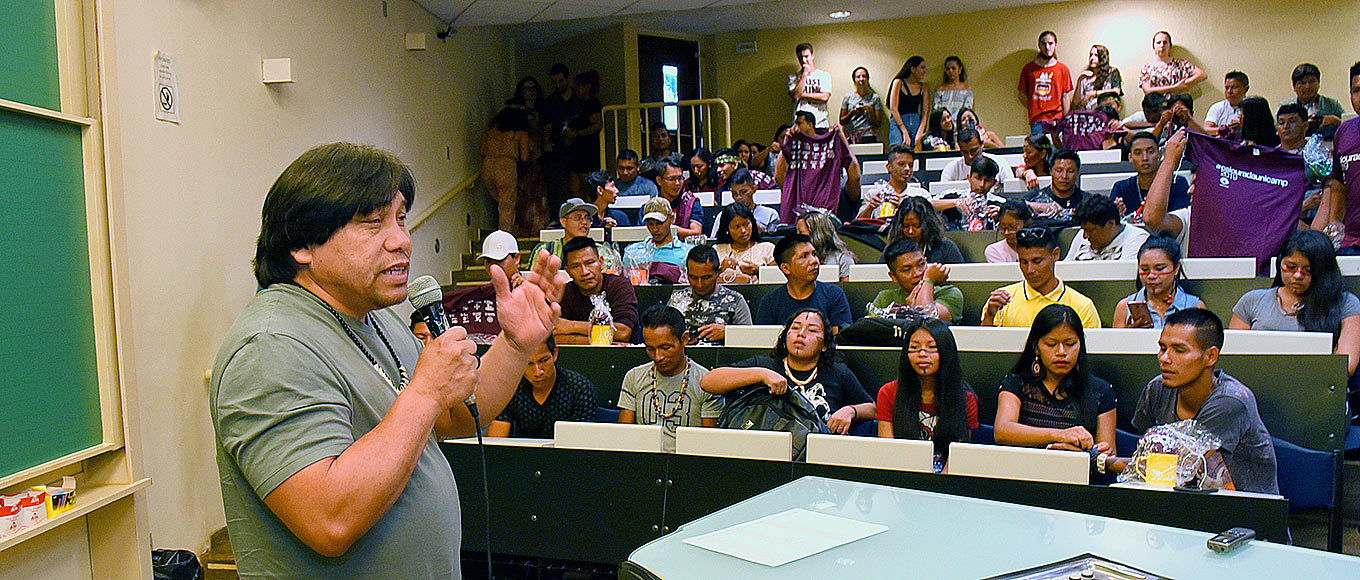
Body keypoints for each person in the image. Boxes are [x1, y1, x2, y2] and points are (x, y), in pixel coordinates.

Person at [211, 142, 563, 576]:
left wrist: (515, 345)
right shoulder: (270, 347)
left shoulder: (374, 318)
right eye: (371, 222)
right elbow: (329, 518)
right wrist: (425, 391)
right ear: (303, 243)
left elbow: (453, 416)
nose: (400, 240)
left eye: (399, 219)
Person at [1132, 309, 1279, 493]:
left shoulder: (1230, 402)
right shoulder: (1157, 389)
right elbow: (1144, 455)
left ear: (1211, 356)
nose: (1165, 358)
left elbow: (1176, 468)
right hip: (1182, 501)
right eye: (1162, 348)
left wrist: (1101, 461)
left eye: (1179, 350)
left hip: (1246, 511)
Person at [702, 309, 874, 433]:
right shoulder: (763, 365)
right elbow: (708, 382)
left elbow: (873, 409)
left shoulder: (838, 373)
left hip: (817, 455)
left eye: (812, 330)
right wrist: (762, 374)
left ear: (825, 345)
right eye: (795, 328)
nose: (801, 334)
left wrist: (851, 410)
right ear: (785, 336)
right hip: (762, 450)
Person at [1230, 230, 1360, 377]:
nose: (1298, 275)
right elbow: (1235, 359)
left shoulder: (1346, 304)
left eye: (1308, 270)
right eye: (1291, 267)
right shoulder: (1251, 301)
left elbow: (1345, 366)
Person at [994, 305, 1117, 457]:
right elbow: (1002, 430)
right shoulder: (1017, 383)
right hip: (1023, 471)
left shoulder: (1100, 391)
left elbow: (1109, 455)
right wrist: (1060, 435)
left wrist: (1098, 453)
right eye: (1051, 344)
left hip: (1077, 474)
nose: (1061, 352)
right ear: (1036, 347)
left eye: (1070, 344)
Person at [618, 305, 722, 451]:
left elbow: (710, 444)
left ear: (684, 339)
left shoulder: (707, 382)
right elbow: (624, 437)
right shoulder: (634, 377)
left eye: (666, 348)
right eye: (650, 349)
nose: (658, 356)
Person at [876, 318, 978, 459]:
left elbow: (959, 455)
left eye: (931, 347)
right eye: (914, 348)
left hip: (946, 475)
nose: (922, 354)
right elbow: (888, 450)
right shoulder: (888, 393)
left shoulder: (965, 398)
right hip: (902, 470)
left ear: (945, 352)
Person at [983, 227, 1101, 328]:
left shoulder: (1083, 306)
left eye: (1037, 261)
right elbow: (984, 351)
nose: (1030, 270)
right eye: (1023, 262)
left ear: (1055, 255)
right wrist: (989, 316)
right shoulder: (1001, 301)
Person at [487, 336, 598, 438]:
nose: (538, 372)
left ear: (555, 353)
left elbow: (581, 445)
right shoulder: (512, 388)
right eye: (529, 363)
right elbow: (495, 441)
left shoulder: (580, 389)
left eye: (543, 360)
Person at [441, 230, 526, 343]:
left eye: (500, 260)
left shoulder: (531, 291)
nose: (493, 267)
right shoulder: (480, 296)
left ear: (517, 258)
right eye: (489, 261)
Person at [754, 234, 853, 332]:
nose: (814, 261)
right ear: (786, 268)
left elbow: (841, 337)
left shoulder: (833, 295)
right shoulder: (769, 302)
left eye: (814, 254)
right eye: (804, 256)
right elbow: (765, 341)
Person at [775, 111, 861, 223]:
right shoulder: (794, 144)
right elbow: (778, 177)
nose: (795, 127)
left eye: (799, 123)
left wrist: (842, 138)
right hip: (797, 221)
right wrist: (787, 144)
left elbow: (855, 175)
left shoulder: (832, 142)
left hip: (823, 222)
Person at [557, 237, 639, 344]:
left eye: (589, 263)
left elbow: (623, 332)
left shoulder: (620, 286)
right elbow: (555, 337)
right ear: (568, 272)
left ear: (601, 263)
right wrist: (608, 343)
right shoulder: (564, 292)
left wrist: (571, 326)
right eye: (576, 266)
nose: (584, 272)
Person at [1314, 61, 1360, 252]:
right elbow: (1338, 183)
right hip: (1352, 241)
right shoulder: (1344, 131)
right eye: (1357, 90)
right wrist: (1334, 222)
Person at [1113, 233, 1205, 328]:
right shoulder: (1124, 307)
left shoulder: (1195, 307)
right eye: (1145, 269)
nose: (1151, 275)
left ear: (1176, 268)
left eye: (1160, 268)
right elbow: (1116, 342)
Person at [668, 245, 753, 345]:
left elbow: (749, 339)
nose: (699, 284)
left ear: (718, 273)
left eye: (706, 278)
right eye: (693, 277)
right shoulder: (676, 299)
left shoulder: (735, 300)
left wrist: (728, 332)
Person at [869, 239, 964, 322]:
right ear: (893, 276)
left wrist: (928, 280)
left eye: (921, 265)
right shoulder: (885, 298)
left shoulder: (949, 293)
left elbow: (928, 317)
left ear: (926, 262)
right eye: (907, 269)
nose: (917, 273)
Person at [1110, 131, 1191, 219]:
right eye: (1138, 153)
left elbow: (1183, 220)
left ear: (1160, 154)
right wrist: (1115, 216)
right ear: (1130, 157)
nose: (1145, 158)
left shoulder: (1177, 183)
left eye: (1150, 151)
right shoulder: (1121, 188)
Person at [530, 198, 621, 271]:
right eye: (578, 218)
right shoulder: (546, 251)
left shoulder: (601, 252)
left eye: (587, 218)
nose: (584, 222)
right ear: (563, 222)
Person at [481, 107, 533, 234]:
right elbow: (525, 157)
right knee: (507, 206)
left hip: (487, 165)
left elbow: (482, 151)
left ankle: (506, 231)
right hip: (506, 166)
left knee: (500, 201)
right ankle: (505, 237)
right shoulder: (519, 133)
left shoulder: (490, 130)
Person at [1141, 130, 1194, 252]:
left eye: (1196, 184)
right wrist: (1169, 160)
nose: (1190, 190)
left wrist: (1169, 160)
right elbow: (1151, 219)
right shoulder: (1189, 216)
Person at [1017, 31, 1074, 134]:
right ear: (1039, 45)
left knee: (1057, 149)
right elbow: (1021, 94)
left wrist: (1064, 120)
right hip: (1037, 120)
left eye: (1050, 43)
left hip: (1057, 119)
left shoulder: (1062, 69)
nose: (1047, 47)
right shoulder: (1028, 69)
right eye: (1044, 44)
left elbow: (1066, 96)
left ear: (1056, 45)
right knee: (1039, 149)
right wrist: (1034, 106)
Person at [1067, 194, 1150, 261]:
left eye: (1090, 230)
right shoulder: (1082, 233)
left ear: (1111, 223)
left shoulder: (1137, 239)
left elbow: (1123, 276)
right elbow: (1065, 268)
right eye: (1084, 230)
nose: (1085, 236)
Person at [931, 155, 1002, 231]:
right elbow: (926, 205)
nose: (982, 184)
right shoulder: (953, 195)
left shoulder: (1000, 204)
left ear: (994, 183)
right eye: (978, 178)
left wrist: (1002, 215)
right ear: (969, 178)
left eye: (987, 180)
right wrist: (956, 202)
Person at [541, 63, 576, 211]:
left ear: (567, 79)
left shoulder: (578, 98)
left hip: (579, 148)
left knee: (578, 185)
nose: (558, 85)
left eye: (560, 81)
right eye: (554, 82)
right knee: (559, 185)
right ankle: (561, 216)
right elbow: (547, 124)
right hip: (558, 150)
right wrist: (547, 141)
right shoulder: (550, 102)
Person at [887, 197, 965, 264]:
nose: (910, 231)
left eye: (916, 226)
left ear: (928, 225)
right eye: (906, 226)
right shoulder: (893, 249)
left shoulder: (946, 248)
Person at [712, 203, 776, 284]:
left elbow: (778, 278)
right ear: (727, 229)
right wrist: (721, 270)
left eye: (746, 224)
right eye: (737, 227)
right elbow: (705, 280)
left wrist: (758, 270)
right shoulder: (717, 249)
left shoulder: (767, 248)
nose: (743, 231)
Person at [625, 197, 695, 270]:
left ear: (671, 219)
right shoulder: (632, 253)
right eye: (650, 224)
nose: (655, 229)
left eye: (659, 223)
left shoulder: (687, 253)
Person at [1025, 149, 1090, 226]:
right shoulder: (1035, 196)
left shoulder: (1087, 201)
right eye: (1059, 171)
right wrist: (1042, 206)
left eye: (1070, 171)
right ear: (1050, 171)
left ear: (1077, 172)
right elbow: (1014, 206)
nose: (1064, 176)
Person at [564, 70, 604, 197]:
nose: (575, 89)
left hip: (587, 152)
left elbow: (598, 125)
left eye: (578, 86)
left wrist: (578, 133)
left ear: (587, 86)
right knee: (574, 187)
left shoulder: (593, 104)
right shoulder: (578, 104)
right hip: (576, 151)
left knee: (587, 187)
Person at [857, 144, 922, 221]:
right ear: (889, 167)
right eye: (901, 164)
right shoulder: (873, 194)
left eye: (910, 165)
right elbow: (858, 224)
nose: (907, 169)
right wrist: (870, 207)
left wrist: (904, 208)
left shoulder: (920, 195)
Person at [711, 168, 780, 237]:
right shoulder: (722, 216)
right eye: (734, 193)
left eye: (743, 192)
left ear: (754, 189)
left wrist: (762, 232)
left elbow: (774, 242)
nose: (738, 197)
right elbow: (714, 242)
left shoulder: (770, 215)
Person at [940, 128, 1012, 192]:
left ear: (981, 144)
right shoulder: (951, 168)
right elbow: (942, 195)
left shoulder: (1000, 163)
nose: (970, 156)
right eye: (965, 152)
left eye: (974, 150)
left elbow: (1011, 190)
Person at [650, 156, 705, 238]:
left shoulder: (691, 203)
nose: (677, 183)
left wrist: (670, 229)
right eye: (671, 179)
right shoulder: (651, 206)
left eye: (680, 178)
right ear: (659, 180)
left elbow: (696, 232)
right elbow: (645, 232)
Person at [1138, 31, 1206, 96]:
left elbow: (1202, 75)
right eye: (1158, 42)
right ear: (1153, 46)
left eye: (1165, 42)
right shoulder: (1147, 68)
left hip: (1177, 103)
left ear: (1169, 45)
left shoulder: (1180, 64)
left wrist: (1184, 83)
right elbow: (1147, 90)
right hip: (1156, 104)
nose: (1162, 45)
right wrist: (1174, 88)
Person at [1282, 63, 1345, 131]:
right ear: (1294, 87)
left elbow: (1348, 126)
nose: (1307, 86)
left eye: (1312, 81)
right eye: (1302, 83)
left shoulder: (1332, 104)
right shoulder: (1286, 106)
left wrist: (1337, 121)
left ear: (1319, 84)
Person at [797, 210, 855, 281]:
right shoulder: (795, 260)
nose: (797, 237)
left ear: (817, 235)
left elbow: (848, 289)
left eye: (801, 232)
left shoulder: (842, 259)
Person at [788, 43, 832, 128]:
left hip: (820, 124)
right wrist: (804, 75)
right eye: (801, 58)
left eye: (806, 56)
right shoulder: (793, 77)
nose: (804, 60)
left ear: (812, 56)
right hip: (800, 125)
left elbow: (824, 97)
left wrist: (802, 95)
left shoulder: (824, 76)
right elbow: (795, 95)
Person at [889, 56, 929, 146]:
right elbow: (893, 108)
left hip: (916, 121)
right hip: (899, 120)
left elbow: (925, 113)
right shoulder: (898, 82)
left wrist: (919, 133)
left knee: (917, 149)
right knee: (898, 148)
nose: (924, 71)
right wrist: (903, 130)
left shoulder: (924, 87)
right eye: (922, 68)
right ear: (913, 69)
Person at [1072, 44, 1122, 112]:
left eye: (1096, 55)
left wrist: (1093, 94)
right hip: (1087, 115)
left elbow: (1117, 91)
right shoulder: (1085, 76)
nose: (1092, 58)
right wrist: (1079, 80)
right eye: (1091, 55)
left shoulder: (1112, 72)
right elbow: (1075, 103)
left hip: (1105, 114)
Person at [840, 66, 883, 143]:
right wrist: (852, 113)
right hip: (851, 136)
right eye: (858, 76)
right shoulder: (848, 97)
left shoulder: (874, 98)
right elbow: (842, 121)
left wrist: (870, 112)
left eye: (864, 76)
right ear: (854, 80)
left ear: (867, 79)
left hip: (868, 135)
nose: (861, 79)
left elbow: (878, 124)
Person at [1204, 71, 1250, 138]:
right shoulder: (1217, 107)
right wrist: (1227, 129)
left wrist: (1243, 127)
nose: (1229, 91)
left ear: (1246, 89)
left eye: (1234, 87)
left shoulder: (1254, 107)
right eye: (1227, 88)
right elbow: (1207, 129)